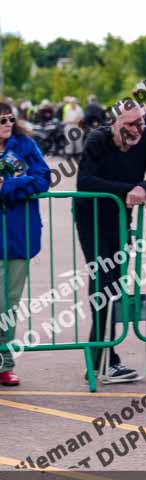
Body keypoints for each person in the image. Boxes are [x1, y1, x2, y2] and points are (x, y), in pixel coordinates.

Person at [75, 101, 146, 381]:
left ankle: (103, 358)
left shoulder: (145, 138)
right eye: (130, 123)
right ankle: (103, 358)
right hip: (91, 219)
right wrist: (130, 190)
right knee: (102, 283)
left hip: (120, 220)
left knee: (114, 285)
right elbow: (86, 182)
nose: (138, 128)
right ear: (114, 124)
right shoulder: (97, 140)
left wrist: (144, 187)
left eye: (141, 121)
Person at [0, 103, 51, 386]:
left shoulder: (25, 145)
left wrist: (7, 187)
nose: (7, 124)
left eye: (10, 119)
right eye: (1, 120)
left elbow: (44, 179)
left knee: (7, 304)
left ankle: (3, 364)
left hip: (18, 236)